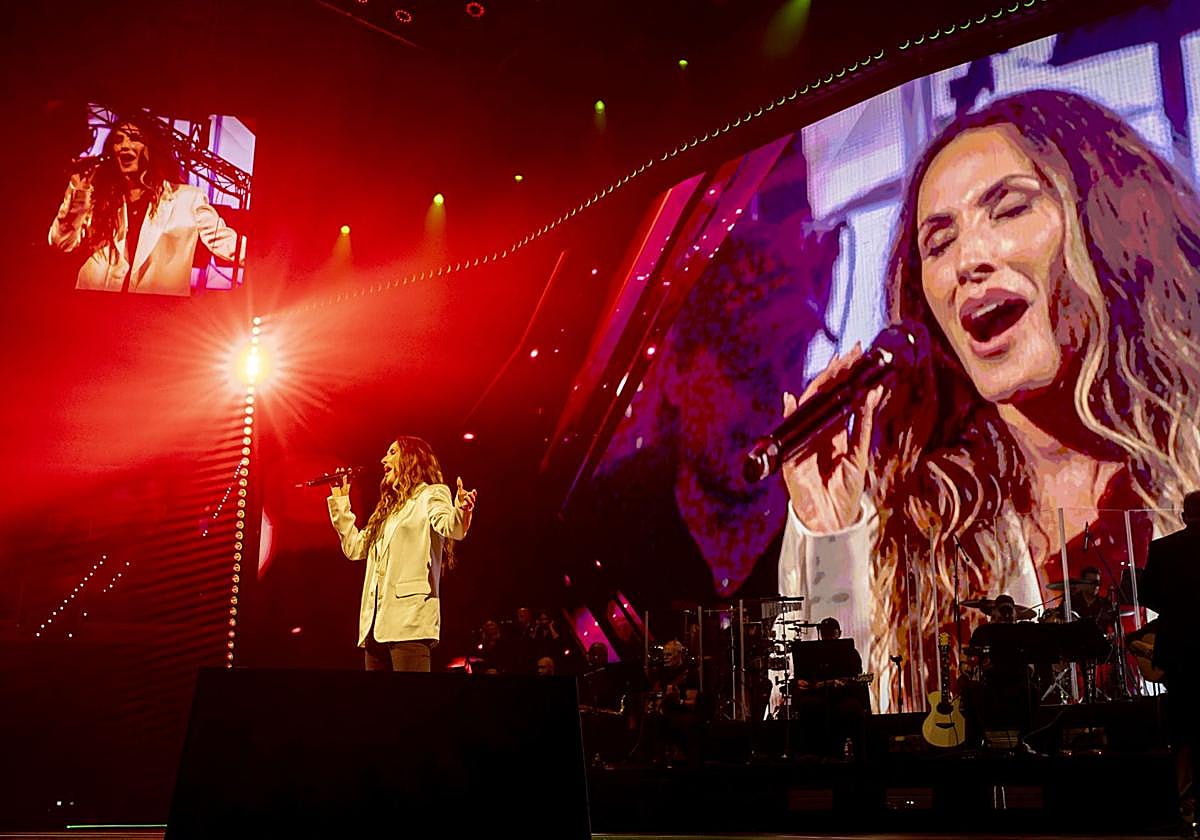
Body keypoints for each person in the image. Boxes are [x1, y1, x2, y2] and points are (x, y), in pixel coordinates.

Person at [777, 89, 1200, 707]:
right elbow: (816, 728)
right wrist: (830, 538)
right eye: (939, 242)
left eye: (1009, 209)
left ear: (1106, 223)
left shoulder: (1189, 448)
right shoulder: (915, 518)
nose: (968, 261)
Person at [48, 113, 245, 296]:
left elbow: (224, 242)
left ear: (153, 147)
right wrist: (79, 191)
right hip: (96, 303)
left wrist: (260, 259)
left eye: (134, 138)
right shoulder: (98, 198)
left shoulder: (188, 199)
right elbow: (61, 243)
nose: (124, 146)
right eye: (118, 140)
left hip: (154, 311)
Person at [327, 436, 477, 671]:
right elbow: (354, 548)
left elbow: (452, 527)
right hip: (375, 627)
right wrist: (340, 501)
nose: (383, 459)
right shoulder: (387, 511)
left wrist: (462, 509)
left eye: (392, 452)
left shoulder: (430, 494)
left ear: (411, 458)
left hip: (410, 624)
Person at [1141, 490, 1200, 837]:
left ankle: (1184, 808)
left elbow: (1149, 596)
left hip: (1180, 652)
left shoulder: (1163, 548)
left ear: (1182, 515)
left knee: (1183, 732)